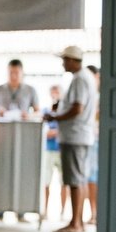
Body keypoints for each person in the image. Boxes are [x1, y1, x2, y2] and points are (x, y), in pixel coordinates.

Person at [43, 46, 97, 232]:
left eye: (65, 59)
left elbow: (77, 109)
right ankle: (78, 222)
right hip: (79, 136)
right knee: (79, 179)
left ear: (73, 60)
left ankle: (75, 223)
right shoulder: (84, 78)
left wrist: (55, 117)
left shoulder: (80, 79)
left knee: (74, 180)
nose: (63, 63)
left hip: (75, 136)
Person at [0, 59, 39, 221]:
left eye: (16, 72)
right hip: (3, 137)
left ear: (22, 72)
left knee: (23, 171)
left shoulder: (30, 90)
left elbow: (38, 112)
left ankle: (22, 210)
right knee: (1, 171)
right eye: (11, 72)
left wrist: (29, 115)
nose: (13, 75)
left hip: (24, 138)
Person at [41, 85, 68, 221]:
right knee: (46, 182)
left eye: (57, 92)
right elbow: (43, 130)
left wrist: (56, 132)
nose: (55, 95)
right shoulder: (46, 111)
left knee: (64, 182)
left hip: (62, 150)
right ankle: (44, 211)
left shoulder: (65, 111)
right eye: (53, 92)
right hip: (48, 150)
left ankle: (63, 212)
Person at [85, 65, 100, 225]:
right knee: (89, 178)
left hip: (97, 140)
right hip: (91, 140)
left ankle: (96, 213)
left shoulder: (100, 96)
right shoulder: (91, 95)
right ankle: (93, 213)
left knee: (93, 178)